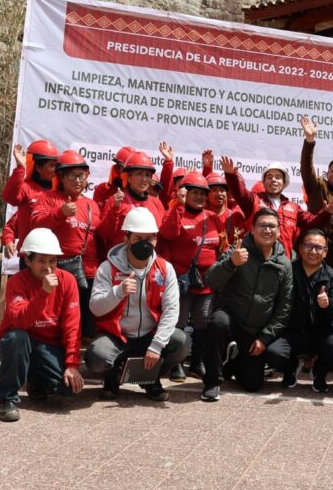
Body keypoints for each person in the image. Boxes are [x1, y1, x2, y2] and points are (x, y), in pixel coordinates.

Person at [86, 208, 187, 402]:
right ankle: (112, 378)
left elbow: (172, 310)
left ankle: (150, 379)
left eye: (149, 238)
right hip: (117, 337)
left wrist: (156, 346)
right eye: (138, 237)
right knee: (96, 356)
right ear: (127, 239)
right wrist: (118, 292)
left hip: (150, 336)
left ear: (156, 240)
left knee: (182, 342)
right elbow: (95, 307)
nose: (144, 243)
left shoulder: (166, 269)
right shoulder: (108, 267)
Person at [0, 228, 84, 422]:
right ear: (28, 261)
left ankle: (37, 382)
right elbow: (20, 321)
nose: (48, 267)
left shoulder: (68, 281)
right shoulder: (17, 282)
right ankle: (6, 398)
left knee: (67, 388)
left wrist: (72, 364)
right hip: (18, 338)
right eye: (41, 261)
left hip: (47, 344)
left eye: (52, 261)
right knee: (17, 338)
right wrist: (43, 293)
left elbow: (72, 325)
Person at [200, 208, 293, 401]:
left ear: (278, 230)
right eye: (262, 225)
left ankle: (234, 360)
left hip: (254, 330)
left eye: (272, 226)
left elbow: (284, 306)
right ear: (252, 228)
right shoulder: (238, 250)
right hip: (231, 318)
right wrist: (231, 264)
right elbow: (211, 280)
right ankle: (212, 382)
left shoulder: (284, 263)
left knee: (253, 384)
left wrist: (265, 338)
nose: (267, 230)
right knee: (218, 323)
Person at [158, 171, 224, 381]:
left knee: (202, 323)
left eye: (203, 194)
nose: (199, 197)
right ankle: (176, 363)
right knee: (177, 322)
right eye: (194, 192)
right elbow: (167, 234)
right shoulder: (175, 212)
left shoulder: (212, 217)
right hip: (182, 282)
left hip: (207, 284)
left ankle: (197, 363)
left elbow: (221, 244)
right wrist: (177, 205)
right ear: (184, 193)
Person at [31, 150, 101, 339]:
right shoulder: (49, 199)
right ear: (61, 176)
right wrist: (59, 213)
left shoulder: (91, 205)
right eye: (73, 175)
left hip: (89, 272)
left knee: (85, 323)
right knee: (61, 319)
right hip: (60, 270)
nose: (78, 180)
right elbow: (35, 226)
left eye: (82, 175)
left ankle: (77, 356)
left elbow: (101, 236)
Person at [222, 156, 333, 258]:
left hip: (282, 262)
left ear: (284, 182)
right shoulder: (253, 200)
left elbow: (311, 223)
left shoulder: (294, 207)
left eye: (278, 177)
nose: (274, 180)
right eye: (270, 177)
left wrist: (326, 213)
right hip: (254, 261)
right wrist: (231, 175)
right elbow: (238, 192)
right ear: (264, 182)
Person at [276, 229, 333, 393]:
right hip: (291, 331)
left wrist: (327, 305)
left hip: (319, 332)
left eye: (318, 247)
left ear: (326, 251)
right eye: (308, 246)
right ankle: (291, 368)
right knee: (273, 352)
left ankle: (319, 373)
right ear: (300, 248)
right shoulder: (287, 270)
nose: (313, 251)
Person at [97, 150, 167, 250]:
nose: (143, 179)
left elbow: (163, 237)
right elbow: (104, 234)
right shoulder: (116, 200)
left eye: (147, 175)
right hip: (120, 261)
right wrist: (115, 209)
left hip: (148, 261)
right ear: (129, 178)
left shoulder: (156, 203)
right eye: (139, 174)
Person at [1, 139, 59, 259]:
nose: (55, 170)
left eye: (56, 165)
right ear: (38, 167)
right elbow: (9, 198)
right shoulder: (26, 188)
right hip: (30, 258)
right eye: (52, 165)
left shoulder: (59, 192)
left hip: (54, 258)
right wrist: (20, 168)